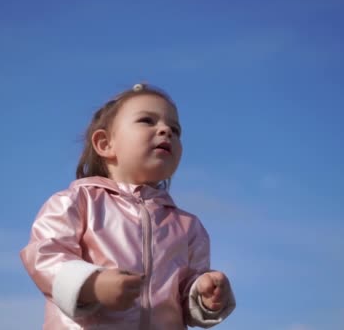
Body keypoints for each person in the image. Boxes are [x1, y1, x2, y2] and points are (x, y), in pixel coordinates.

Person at [20, 83, 236, 329]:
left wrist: (204, 293)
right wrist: (92, 284)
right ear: (105, 144)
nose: (166, 130)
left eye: (175, 130)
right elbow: (45, 255)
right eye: (147, 120)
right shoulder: (76, 202)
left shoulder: (188, 227)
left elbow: (186, 295)